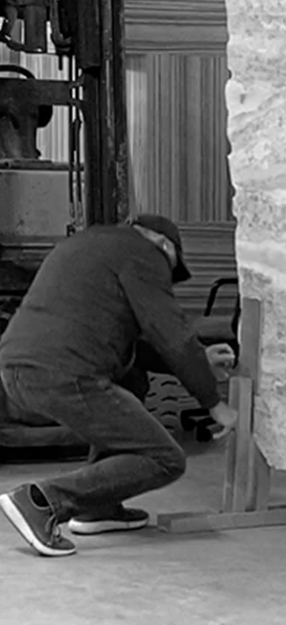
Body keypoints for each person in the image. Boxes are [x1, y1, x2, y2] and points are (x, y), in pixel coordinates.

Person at [0, 214, 239, 557]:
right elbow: (169, 330)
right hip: (65, 373)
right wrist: (214, 402)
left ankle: (99, 507)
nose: (166, 280)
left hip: (18, 369)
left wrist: (201, 358)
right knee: (164, 457)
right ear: (165, 245)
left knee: (132, 380)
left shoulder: (88, 245)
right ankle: (43, 501)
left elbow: (127, 344)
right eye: (171, 271)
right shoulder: (145, 253)